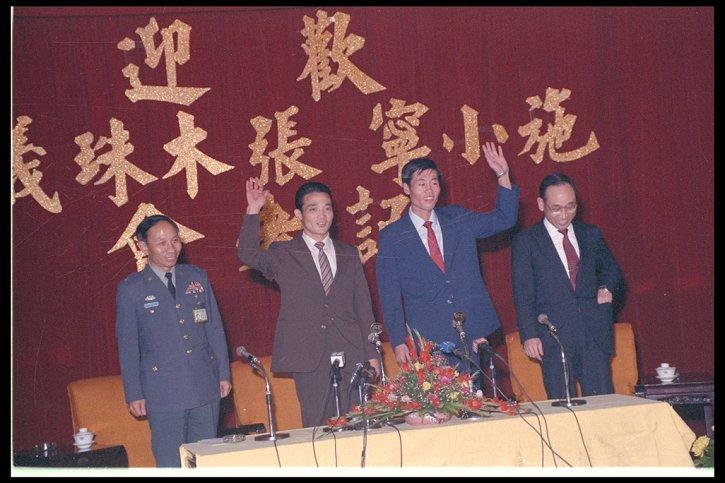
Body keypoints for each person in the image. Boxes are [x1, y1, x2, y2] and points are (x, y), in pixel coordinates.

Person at [237, 178, 381, 428]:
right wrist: (253, 209)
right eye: (313, 209)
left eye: (327, 208)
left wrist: (372, 354)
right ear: (298, 215)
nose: (321, 216)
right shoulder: (284, 252)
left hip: (352, 352)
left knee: (358, 425)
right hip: (309, 356)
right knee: (319, 428)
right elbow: (247, 254)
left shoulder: (348, 252)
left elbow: (363, 307)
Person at [376, 142, 520, 369]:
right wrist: (398, 341)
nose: (430, 190)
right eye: (421, 184)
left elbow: (504, 219)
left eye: (434, 182)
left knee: (473, 391)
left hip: (469, 334)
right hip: (426, 339)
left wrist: (503, 175)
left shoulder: (458, 218)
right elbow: (389, 294)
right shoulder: (392, 236)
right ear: (406, 188)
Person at [115, 215, 231, 467]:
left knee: (205, 461)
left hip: (204, 385)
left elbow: (214, 328)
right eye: (162, 243)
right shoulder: (132, 288)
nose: (171, 248)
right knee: (170, 462)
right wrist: (134, 393)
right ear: (143, 247)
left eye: (175, 240)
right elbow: (128, 346)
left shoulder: (196, 277)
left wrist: (223, 374)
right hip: (163, 392)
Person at [511, 173, 623, 398]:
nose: (564, 215)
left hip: (593, 333)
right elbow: (522, 293)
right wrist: (529, 335)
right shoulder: (526, 241)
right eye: (556, 208)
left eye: (570, 207)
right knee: (563, 406)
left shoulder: (590, 234)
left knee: (603, 404)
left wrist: (606, 287)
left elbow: (612, 271)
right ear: (541, 204)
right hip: (554, 337)